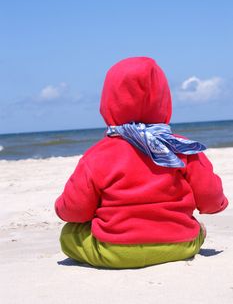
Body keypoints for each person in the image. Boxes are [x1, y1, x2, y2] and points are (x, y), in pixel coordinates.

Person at [55, 57, 228, 268]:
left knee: (69, 234)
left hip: (114, 251)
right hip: (181, 244)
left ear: (108, 101)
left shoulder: (98, 155)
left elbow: (75, 210)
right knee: (199, 228)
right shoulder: (181, 147)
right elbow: (210, 198)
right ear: (164, 99)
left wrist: (62, 208)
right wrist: (218, 205)